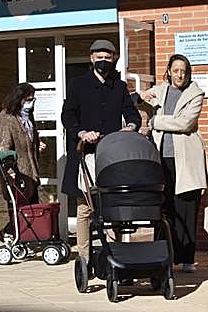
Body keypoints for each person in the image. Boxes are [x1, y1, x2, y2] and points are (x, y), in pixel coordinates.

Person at [61, 39, 141, 261]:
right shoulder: (78, 84)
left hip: (110, 155)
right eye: (99, 58)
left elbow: (131, 113)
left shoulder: (120, 86)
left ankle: (115, 255)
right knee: (85, 209)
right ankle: (85, 258)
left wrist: (131, 126)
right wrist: (81, 132)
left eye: (108, 58)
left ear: (113, 59)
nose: (103, 62)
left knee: (112, 206)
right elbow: (68, 115)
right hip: (84, 152)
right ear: (91, 58)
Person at [141, 54, 208, 273]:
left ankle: (187, 257)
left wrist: (156, 122)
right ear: (168, 71)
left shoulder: (195, 94)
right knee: (164, 208)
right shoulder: (160, 90)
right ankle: (164, 255)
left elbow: (185, 123)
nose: (180, 75)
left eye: (184, 71)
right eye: (176, 70)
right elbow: (140, 99)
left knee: (186, 207)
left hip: (186, 159)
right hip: (162, 158)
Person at [0, 83, 46, 239]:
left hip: (30, 169)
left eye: (33, 99)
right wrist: (10, 171)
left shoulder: (27, 116)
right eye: (28, 99)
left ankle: (26, 236)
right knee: (20, 207)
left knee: (31, 206)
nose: (31, 103)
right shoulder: (7, 118)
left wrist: (37, 143)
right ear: (19, 99)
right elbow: (3, 145)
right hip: (18, 170)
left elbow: (28, 137)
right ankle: (11, 234)